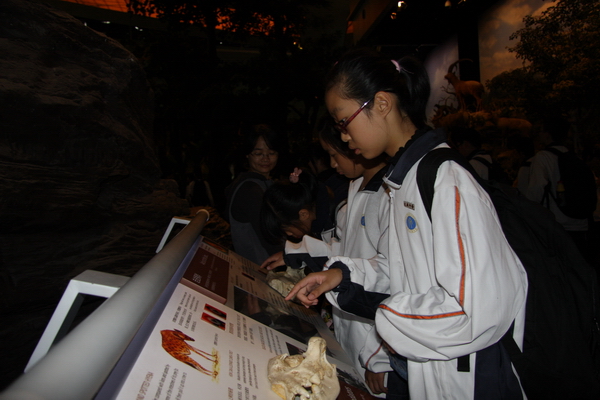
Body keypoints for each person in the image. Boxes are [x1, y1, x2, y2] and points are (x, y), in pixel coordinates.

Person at [286, 48, 528, 399]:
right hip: (433, 371)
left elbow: (477, 309)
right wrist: (342, 276)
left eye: (344, 121)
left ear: (382, 104)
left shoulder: (444, 179)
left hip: (471, 380)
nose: (344, 136)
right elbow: (404, 271)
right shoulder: (402, 181)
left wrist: (386, 318)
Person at [262, 124, 398, 398]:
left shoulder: (390, 197)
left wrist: (381, 357)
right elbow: (344, 251)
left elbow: (395, 278)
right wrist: (294, 252)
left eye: (335, 154)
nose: (332, 164)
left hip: (376, 341)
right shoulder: (354, 190)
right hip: (351, 330)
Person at [224, 124, 284, 265]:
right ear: (247, 154)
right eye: (258, 153)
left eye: (271, 153)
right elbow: (268, 237)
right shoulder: (250, 190)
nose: (265, 159)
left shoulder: (264, 183)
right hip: (262, 265)